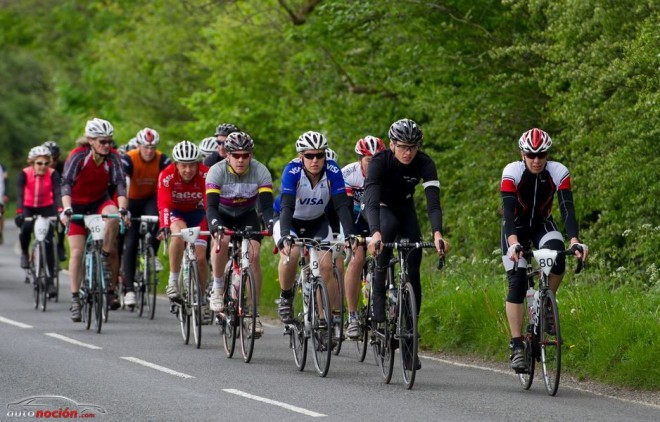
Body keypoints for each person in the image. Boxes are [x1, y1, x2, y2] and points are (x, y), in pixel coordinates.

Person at [363, 118, 448, 370]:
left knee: (413, 268)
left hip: (406, 210)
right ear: (392, 145)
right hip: (382, 209)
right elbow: (370, 198)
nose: (408, 152)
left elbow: (433, 202)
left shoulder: (425, 163)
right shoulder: (380, 162)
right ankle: (378, 295)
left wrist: (437, 233)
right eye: (403, 146)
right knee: (386, 233)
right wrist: (375, 233)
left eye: (413, 147)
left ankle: (410, 341)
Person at [501, 128, 588, 371]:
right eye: (531, 155)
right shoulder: (512, 171)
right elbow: (508, 213)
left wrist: (574, 241)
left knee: (559, 256)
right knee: (517, 281)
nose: (537, 160)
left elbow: (567, 209)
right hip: (515, 228)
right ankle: (517, 344)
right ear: (522, 153)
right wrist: (512, 243)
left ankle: (545, 301)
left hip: (542, 225)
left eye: (542, 155)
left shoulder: (558, 171)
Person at [273, 131, 356, 340]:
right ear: (301, 156)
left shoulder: (333, 170)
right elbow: (286, 206)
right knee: (290, 254)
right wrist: (284, 235)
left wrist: (350, 235)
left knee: (327, 266)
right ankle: (285, 296)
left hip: (317, 223)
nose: (315, 160)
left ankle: (322, 319)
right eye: (309, 156)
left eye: (320, 155)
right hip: (290, 221)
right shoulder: (292, 171)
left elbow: (341, 206)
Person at [59, 118, 130, 322]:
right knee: (77, 251)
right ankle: (74, 298)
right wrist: (67, 208)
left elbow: (119, 184)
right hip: (76, 205)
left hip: (99, 201)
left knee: (114, 216)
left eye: (109, 141)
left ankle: (105, 259)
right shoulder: (78, 156)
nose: (107, 145)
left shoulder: (113, 157)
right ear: (90, 140)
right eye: (102, 142)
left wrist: (124, 209)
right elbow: (66, 183)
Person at [205, 132, 274, 337]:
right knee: (222, 240)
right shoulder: (216, 172)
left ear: (251, 155)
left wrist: (271, 223)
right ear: (227, 155)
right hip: (222, 214)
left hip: (246, 215)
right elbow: (211, 208)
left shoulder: (260, 171)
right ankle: (218, 288)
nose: (241, 160)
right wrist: (215, 225)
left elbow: (266, 207)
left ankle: (253, 314)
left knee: (253, 256)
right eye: (236, 155)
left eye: (246, 155)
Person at [156, 140, 211, 322]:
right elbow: (163, 204)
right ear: (176, 164)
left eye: (191, 165)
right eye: (183, 166)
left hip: (199, 214)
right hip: (176, 213)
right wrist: (164, 226)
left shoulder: (206, 174)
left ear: (198, 164)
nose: (188, 170)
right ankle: (173, 280)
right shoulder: (167, 175)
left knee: (201, 258)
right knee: (178, 236)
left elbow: (210, 203)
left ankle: (201, 299)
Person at [120, 128, 171, 308]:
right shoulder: (129, 158)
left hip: (151, 198)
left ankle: (152, 254)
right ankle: (129, 291)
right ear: (139, 145)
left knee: (157, 220)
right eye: (146, 147)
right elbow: (123, 183)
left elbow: (168, 183)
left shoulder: (163, 159)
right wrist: (124, 209)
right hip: (132, 199)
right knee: (131, 242)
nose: (149, 151)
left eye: (152, 147)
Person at [341, 136, 386, 338]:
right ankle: (351, 316)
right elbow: (347, 208)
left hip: (376, 218)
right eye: (369, 160)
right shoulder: (349, 174)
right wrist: (350, 236)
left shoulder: (387, 172)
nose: (373, 164)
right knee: (357, 259)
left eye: (377, 159)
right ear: (360, 159)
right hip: (356, 219)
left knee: (383, 257)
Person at [15, 146, 62, 297]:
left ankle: (50, 283)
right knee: (26, 227)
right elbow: (20, 195)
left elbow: (57, 194)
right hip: (29, 207)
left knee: (48, 241)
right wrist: (20, 212)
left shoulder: (53, 174)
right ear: (32, 163)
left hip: (46, 207)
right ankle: (24, 252)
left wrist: (60, 211)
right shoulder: (24, 174)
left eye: (46, 163)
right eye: (39, 163)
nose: (42, 166)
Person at [43, 140, 67, 261]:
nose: (52, 162)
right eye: (49, 159)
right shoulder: (40, 167)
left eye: (55, 158)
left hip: (59, 197)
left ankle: (60, 244)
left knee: (62, 217)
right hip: (44, 199)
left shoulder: (63, 166)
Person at [0, 162, 6, 245]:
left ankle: (0, 231)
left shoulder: (2, 167)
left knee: (0, 215)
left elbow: (5, 181)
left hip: (0, 195)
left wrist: (6, 193)